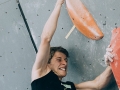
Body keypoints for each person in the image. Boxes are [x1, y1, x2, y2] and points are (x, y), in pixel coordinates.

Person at [31, 0, 114, 90]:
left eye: (66, 60)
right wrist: (58, 4)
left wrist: (112, 63)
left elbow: (97, 85)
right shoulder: (40, 77)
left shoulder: (68, 86)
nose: (65, 63)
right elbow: (46, 38)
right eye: (59, 59)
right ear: (47, 63)